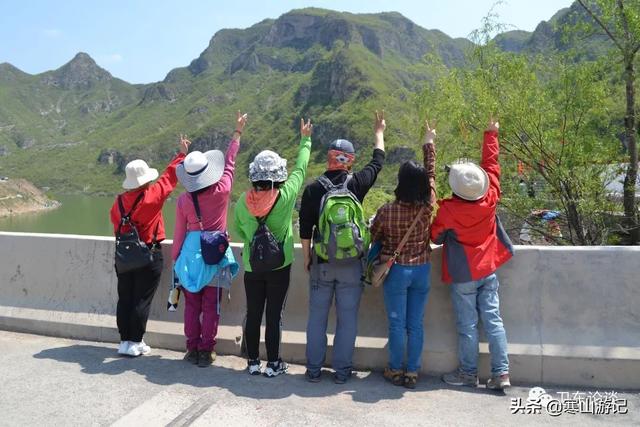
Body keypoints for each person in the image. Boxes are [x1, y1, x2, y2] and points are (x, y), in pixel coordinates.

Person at [300, 111, 386, 384]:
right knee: (347, 320)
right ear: (350, 161)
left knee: (317, 319)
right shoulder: (357, 184)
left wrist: (307, 259)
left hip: (323, 264)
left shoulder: (313, 190)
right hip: (351, 265)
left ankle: (313, 371)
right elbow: (378, 161)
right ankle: (342, 372)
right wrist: (379, 133)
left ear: (329, 157)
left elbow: (305, 232)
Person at [430, 117, 514, 390]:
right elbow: (492, 166)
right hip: (489, 269)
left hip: (464, 275)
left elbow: (435, 236)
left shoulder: (449, 211)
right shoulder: (490, 199)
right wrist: (491, 134)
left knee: (468, 326)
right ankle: (501, 373)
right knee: (494, 320)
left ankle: (468, 374)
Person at [233, 118, 313, 377]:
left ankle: (253, 362)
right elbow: (301, 169)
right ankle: (274, 364)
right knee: (274, 314)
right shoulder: (286, 195)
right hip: (280, 265)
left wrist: (253, 237)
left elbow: (240, 230)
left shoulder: (241, 203)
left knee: (254, 312)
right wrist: (305, 139)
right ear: (278, 174)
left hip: (252, 266)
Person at [173, 112, 246, 368]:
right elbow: (230, 164)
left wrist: (176, 262)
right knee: (212, 304)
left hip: (190, 254)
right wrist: (237, 133)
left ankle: (191, 348)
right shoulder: (222, 191)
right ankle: (206, 350)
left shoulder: (183, 200)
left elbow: (179, 233)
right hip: (215, 252)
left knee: (191, 304)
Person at [370, 119, 437, 389]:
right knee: (415, 325)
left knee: (397, 325)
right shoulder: (428, 206)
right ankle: (412, 372)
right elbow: (431, 175)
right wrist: (429, 142)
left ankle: (395, 369)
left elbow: (374, 234)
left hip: (396, 272)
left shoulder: (387, 211)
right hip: (421, 270)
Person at [110, 135, 190, 357]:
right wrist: (181, 154)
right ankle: (136, 342)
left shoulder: (117, 203)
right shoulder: (151, 197)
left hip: (123, 257)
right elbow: (168, 178)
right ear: (145, 180)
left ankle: (124, 341)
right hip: (148, 255)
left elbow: (117, 226)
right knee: (141, 300)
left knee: (125, 298)